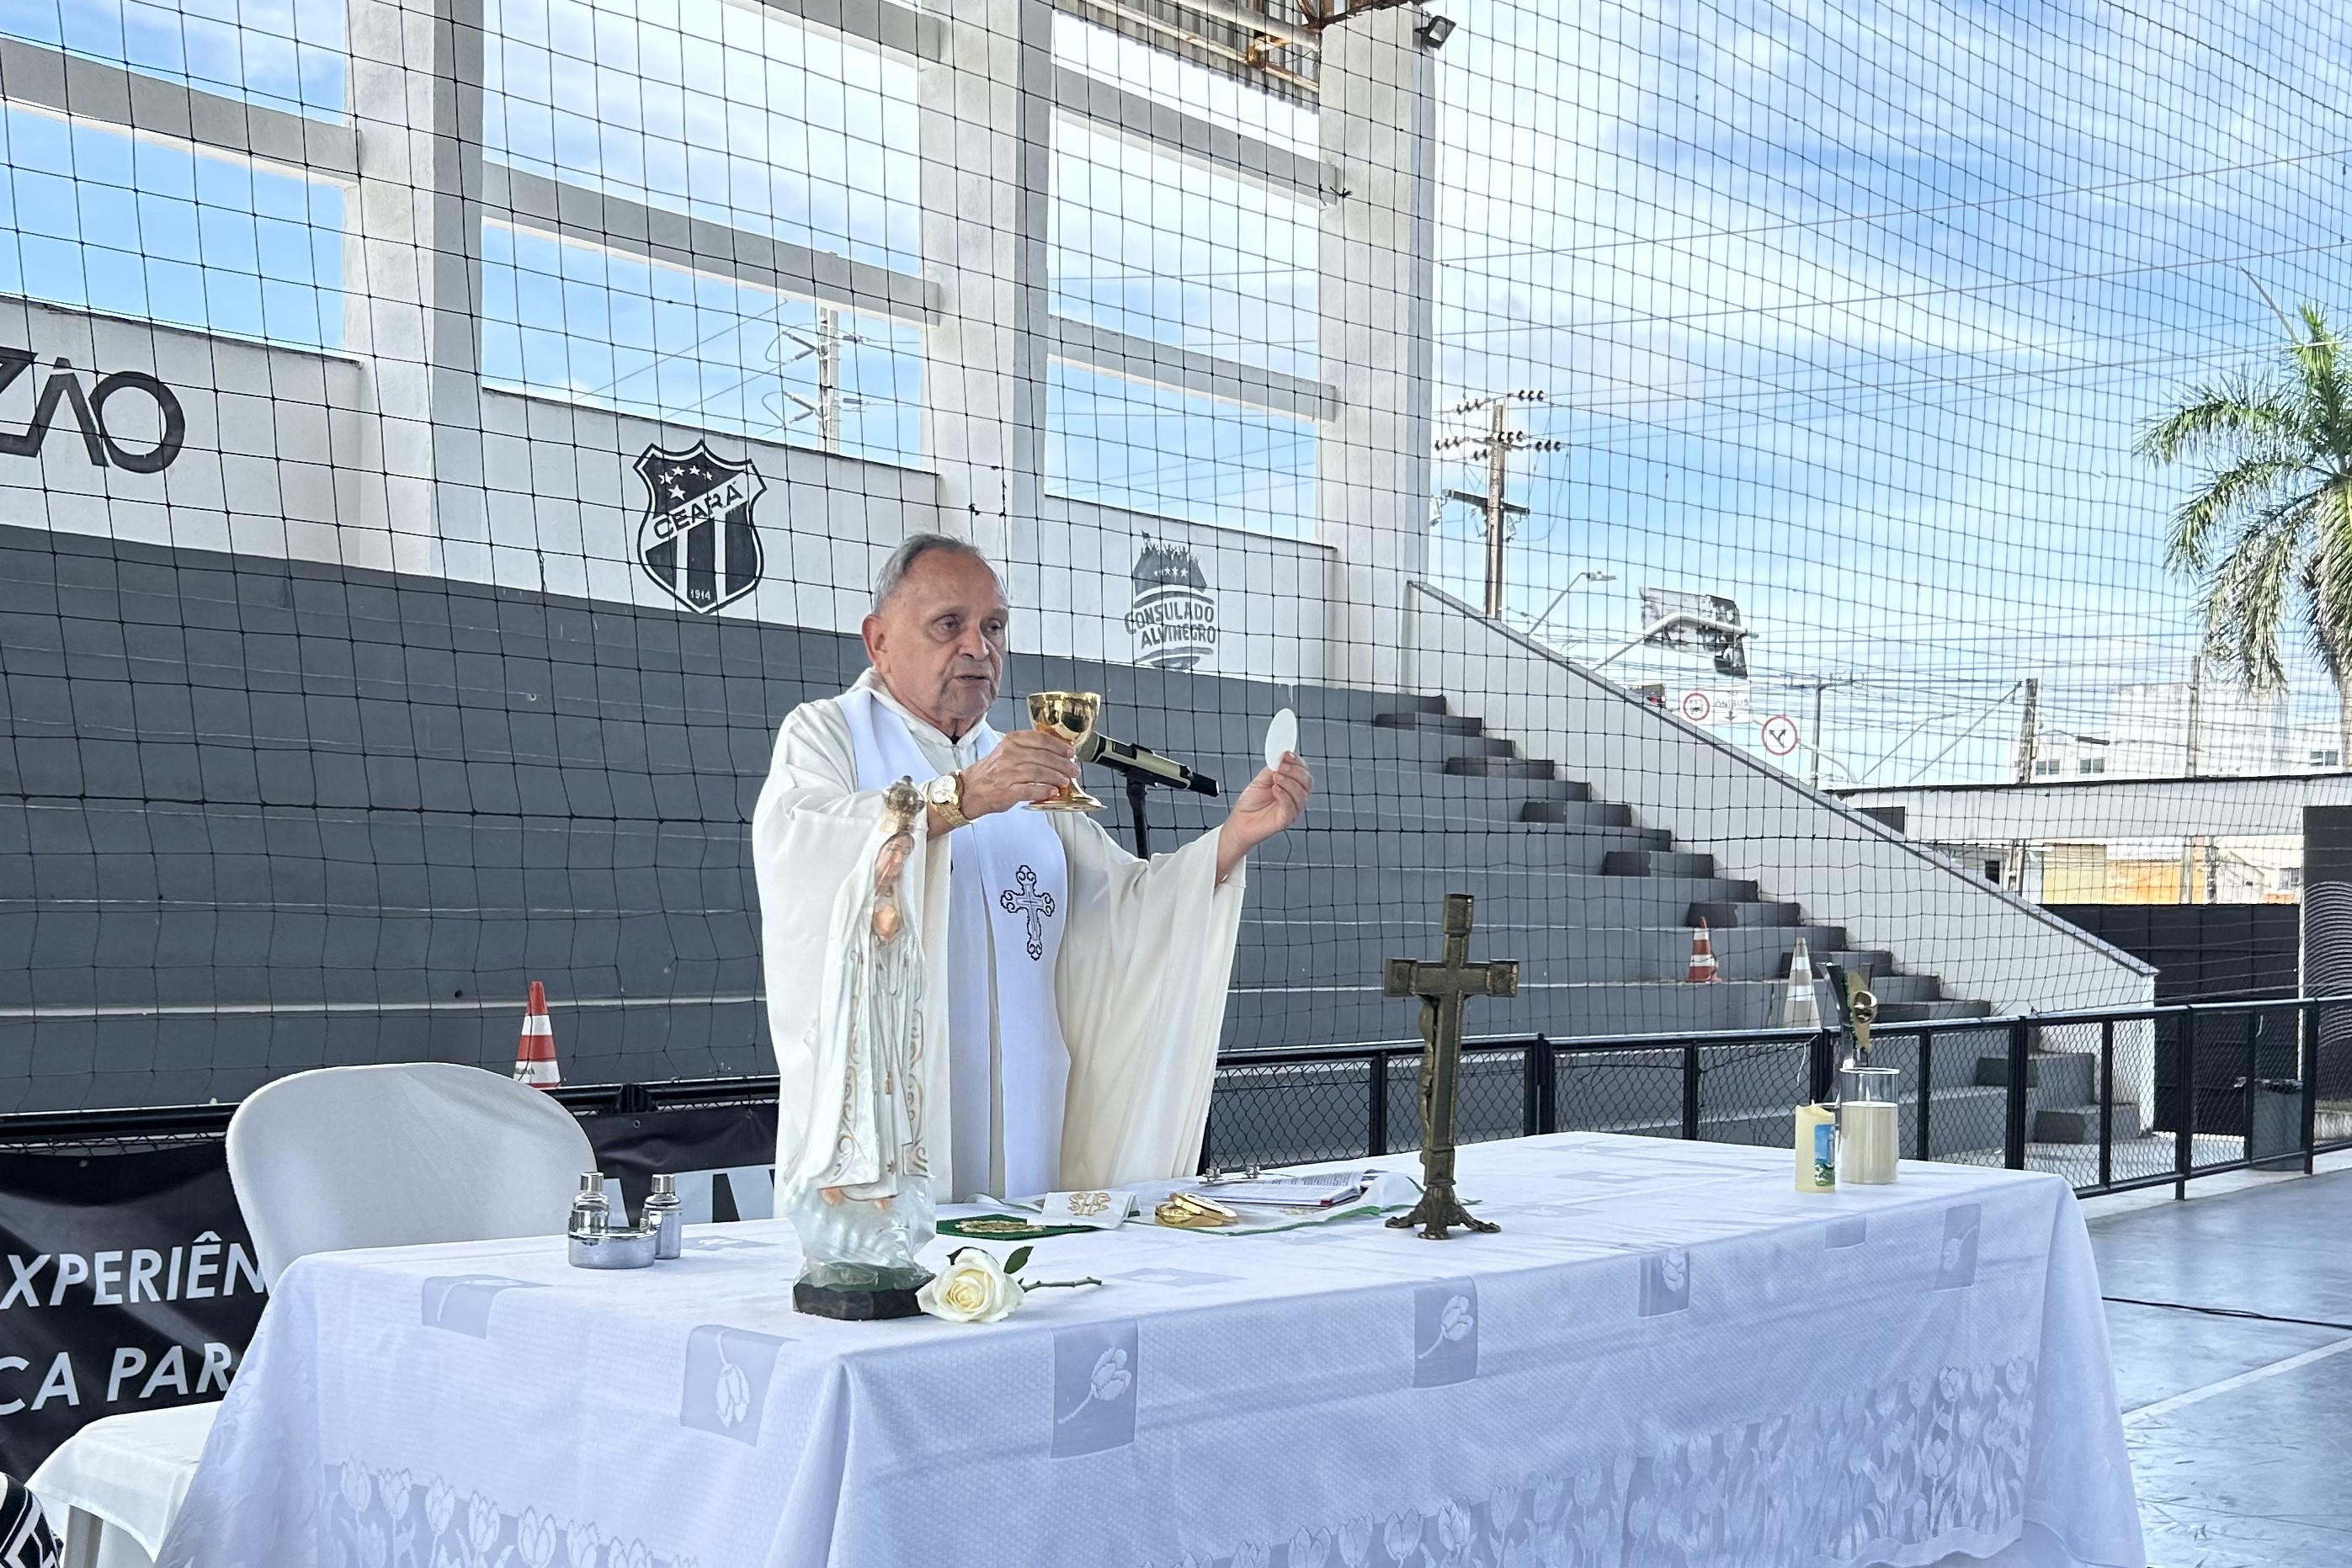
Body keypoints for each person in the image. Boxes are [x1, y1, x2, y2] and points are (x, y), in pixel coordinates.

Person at [753, 533, 1313, 1201]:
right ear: (879, 640)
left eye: (994, 626)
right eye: (949, 624)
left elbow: (1117, 910)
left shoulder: (1021, 763)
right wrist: (960, 797)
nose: (978, 646)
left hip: (1029, 1129)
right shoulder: (827, 734)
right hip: (891, 1133)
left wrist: (1232, 838)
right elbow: (805, 844)